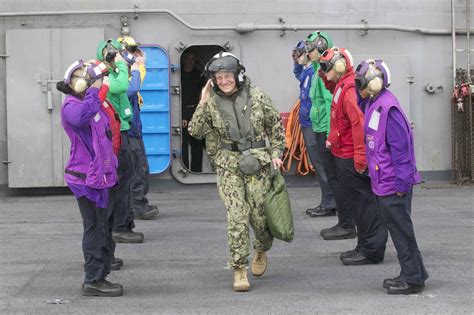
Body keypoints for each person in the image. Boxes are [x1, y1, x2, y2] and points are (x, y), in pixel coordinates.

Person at [188, 52, 285, 292]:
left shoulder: (258, 96)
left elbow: (275, 127)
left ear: (237, 75)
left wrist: (276, 154)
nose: (223, 81)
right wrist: (202, 99)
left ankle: (261, 249)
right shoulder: (210, 103)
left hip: (257, 163)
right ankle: (239, 270)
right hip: (228, 165)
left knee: (260, 218)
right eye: (218, 77)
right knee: (238, 216)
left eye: (227, 76)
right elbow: (195, 130)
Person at [355, 59, 428, 294]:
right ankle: (413, 272)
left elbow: (402, 149)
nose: (358, 87)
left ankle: (413, 279)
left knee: (401, 230)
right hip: (382, 181)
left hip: (393, 183)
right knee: (398, 229)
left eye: (361, 83)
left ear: (374, 83)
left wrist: (401, 183)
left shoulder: (389, 108)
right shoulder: (374, 103)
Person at [57, 60, 123, 296]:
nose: (86, 78)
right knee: (94, 227)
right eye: (82, 76)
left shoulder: (89, 101)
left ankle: (101, 273)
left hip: (100, 176)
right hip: (84, 179)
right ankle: (93, 279)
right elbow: (84, 116)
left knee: (103, 226)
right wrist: (96, 88)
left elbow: (108, 133)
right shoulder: (72, 106)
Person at [319, 47, 388, 265]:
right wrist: (324, 72)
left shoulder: (348, 88)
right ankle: (364, 246)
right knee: (359, 205)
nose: (323, 70)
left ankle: (371, 250)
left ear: (339, 67)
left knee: (364, 205)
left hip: (350, 157)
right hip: (344, 155)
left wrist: (360, 159)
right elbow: (331, 85)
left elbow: (359, 125)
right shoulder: (342, 85)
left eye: (325, 67)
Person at [96, 39, 144, 243]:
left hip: (124, 131)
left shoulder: (113, 73)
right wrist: (124, 65)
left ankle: (124, 222)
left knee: (127, 180)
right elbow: (122, 86)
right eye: (116, 53)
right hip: (119, 135)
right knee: (122, 182)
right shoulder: (108, 77)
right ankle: (119, 227)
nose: (121, 56)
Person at [117, 36, 159, 220]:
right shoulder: (119, 77)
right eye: (131, 51)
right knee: (137, 169)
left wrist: (139, 66)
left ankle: (137, 203)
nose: (134, 54)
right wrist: (138, 66)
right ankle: (137, 206)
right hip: (128, 131)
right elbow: (131, 89)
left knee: (140, 168)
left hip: (135, 129)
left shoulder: (126, 73)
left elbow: (135, 83)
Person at [301, 31, 339, 218]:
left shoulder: (324, 72)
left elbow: (329, 102)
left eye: (311, 48)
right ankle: (328, 202)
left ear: (322, 48)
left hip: (323, 129)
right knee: (322, 167)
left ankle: (330, 204)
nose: (308, 52)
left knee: (325, 168)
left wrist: (329, 133)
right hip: (318, 126)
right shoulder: (317, 69)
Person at [181, 50, 206, 172]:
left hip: (196, 112)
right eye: (188, 59)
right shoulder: (179, 75)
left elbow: (203, 96)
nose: (190, 62)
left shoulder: (199, 75)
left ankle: (196, 171)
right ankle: (184, 168)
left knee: (197, 144)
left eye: (193, 59)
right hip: (181, 112)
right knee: (183, 144)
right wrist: (183, 116)